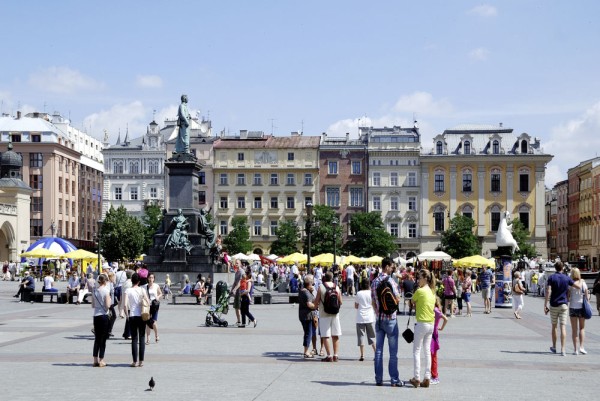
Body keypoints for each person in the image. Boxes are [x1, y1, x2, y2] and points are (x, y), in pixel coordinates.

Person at [370, 257, 401, 386]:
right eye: (392, 266)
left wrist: (378, 311)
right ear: (387, 266)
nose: (392, 268)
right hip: (391, 320)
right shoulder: (391, 281)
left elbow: (373, 302)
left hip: (379, 320)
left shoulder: (374, 282)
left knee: (378, 351)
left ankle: (378, 379)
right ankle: (394, 380)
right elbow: (398, 298)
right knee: (393, 353)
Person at [544, 261, 580, 356]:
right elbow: (577, 286)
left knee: (554, 326)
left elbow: (548, 291)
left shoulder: (551, 277)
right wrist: (581, 282)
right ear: (562, 268)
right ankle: (563, 349)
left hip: (553, 305)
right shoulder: (566, 278)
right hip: (564, 305)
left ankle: (554, 347)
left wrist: (545, 304)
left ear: (555, 268)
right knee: (563, 327)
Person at [409, 268, 436, 388]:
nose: (418, 280)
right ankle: (427, 377)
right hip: (431, 323)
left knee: (416, 350)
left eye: (419, 278)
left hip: (421, 323)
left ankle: (417, 378)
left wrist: (415, 303)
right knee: (427, 351)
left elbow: (411, 302)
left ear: (425, 279)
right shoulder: (431, 292)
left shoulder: (420, 291)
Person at [313, 271, 342, 362]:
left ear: (324, 278)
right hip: (335, 314)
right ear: (332, 278)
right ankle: (336, 355)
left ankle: (329, 355)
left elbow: (316, 302)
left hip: (324, 314)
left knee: (326, 335)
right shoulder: (336, 287)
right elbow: (340, 302)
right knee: (335, 334)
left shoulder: (321, 287)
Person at [123, 272, 150, 367]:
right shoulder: (142, 290)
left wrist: (127, 315)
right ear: (139, 281)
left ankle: (134, 361)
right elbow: (148, 302)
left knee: (134, 339)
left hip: (132, 316)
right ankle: (141, 361)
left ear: (131, 281)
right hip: (142, 316)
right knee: (142, 338)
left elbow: (125, 305)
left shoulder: (128, 291)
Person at [91, 274, 111, 367]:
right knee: (103, 339)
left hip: (96, 315)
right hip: (104, 316)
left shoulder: (95, 291)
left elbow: (93, 305)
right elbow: (108, 305)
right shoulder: (106, 291)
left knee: (97, 339)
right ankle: (101, 360)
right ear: (105, 281)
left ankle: (95, 360)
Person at [568, 268, 589, 355]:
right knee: (582, 328)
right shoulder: (583, 283)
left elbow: (568, 296)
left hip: (573, 306)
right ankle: (581, 347)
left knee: (574, 329)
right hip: (581, 307)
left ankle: (575, 349)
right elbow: (587, 297)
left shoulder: (570, 283)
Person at [355, 279, 375, 362]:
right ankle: (376, 354)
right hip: (370, 317)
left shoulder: (359, 293)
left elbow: (356, 306)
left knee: (361, 337)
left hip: (360, 317)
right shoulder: (371, 293)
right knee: (372, 337)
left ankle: (362, 355)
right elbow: (374, 304)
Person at [430, 297, 448, 385]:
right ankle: (432, 375)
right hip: (432, 334)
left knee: (433, 357)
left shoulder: (435, 310)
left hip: (433, 336)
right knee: (431, 356)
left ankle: (435, 376)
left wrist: (441, 328)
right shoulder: (436, 309)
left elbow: (446, 319)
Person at [299, 275, 316, 358]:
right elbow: (309, 304)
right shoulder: (306, 292)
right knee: (308, 333)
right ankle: (306, 351)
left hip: (302, 314)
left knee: (307, 332)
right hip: (307, 316)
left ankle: (306, 350)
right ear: (309, 283)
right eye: (312, 282)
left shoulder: (302, 290)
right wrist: (316, 306)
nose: (313, 284)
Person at [145, 273, 163, 344]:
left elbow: (161, 293)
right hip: (147, 306)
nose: (151, 279)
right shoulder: (145, 286)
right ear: (147, 278)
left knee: (154, 322)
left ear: (154, 279)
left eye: (152, 278)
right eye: (149, 277)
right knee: (148, 323)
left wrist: (157, 297)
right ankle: (148, 339)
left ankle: (156, 335)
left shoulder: (156, 286)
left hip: (155, 305)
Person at [119, 270, 133, 340]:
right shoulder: (130, 284)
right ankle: (128, 334)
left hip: (124, 301)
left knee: (128, 319)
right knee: (129, 319)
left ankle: (126, 333)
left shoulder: (124, 283)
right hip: (129, 302)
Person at [229, 259, 244, 327]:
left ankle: (240, 321)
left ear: (240, 264)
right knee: (236, 307)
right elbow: (235, 282)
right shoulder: (237, 271)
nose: (236, 264)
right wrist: (231, 290)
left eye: (237, 263)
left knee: (238, 307)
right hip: (237, 291)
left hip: (240, 291)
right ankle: (238, 320)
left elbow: (239, 283)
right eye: (235, 263)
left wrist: (234, 290)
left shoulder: (241, 271)